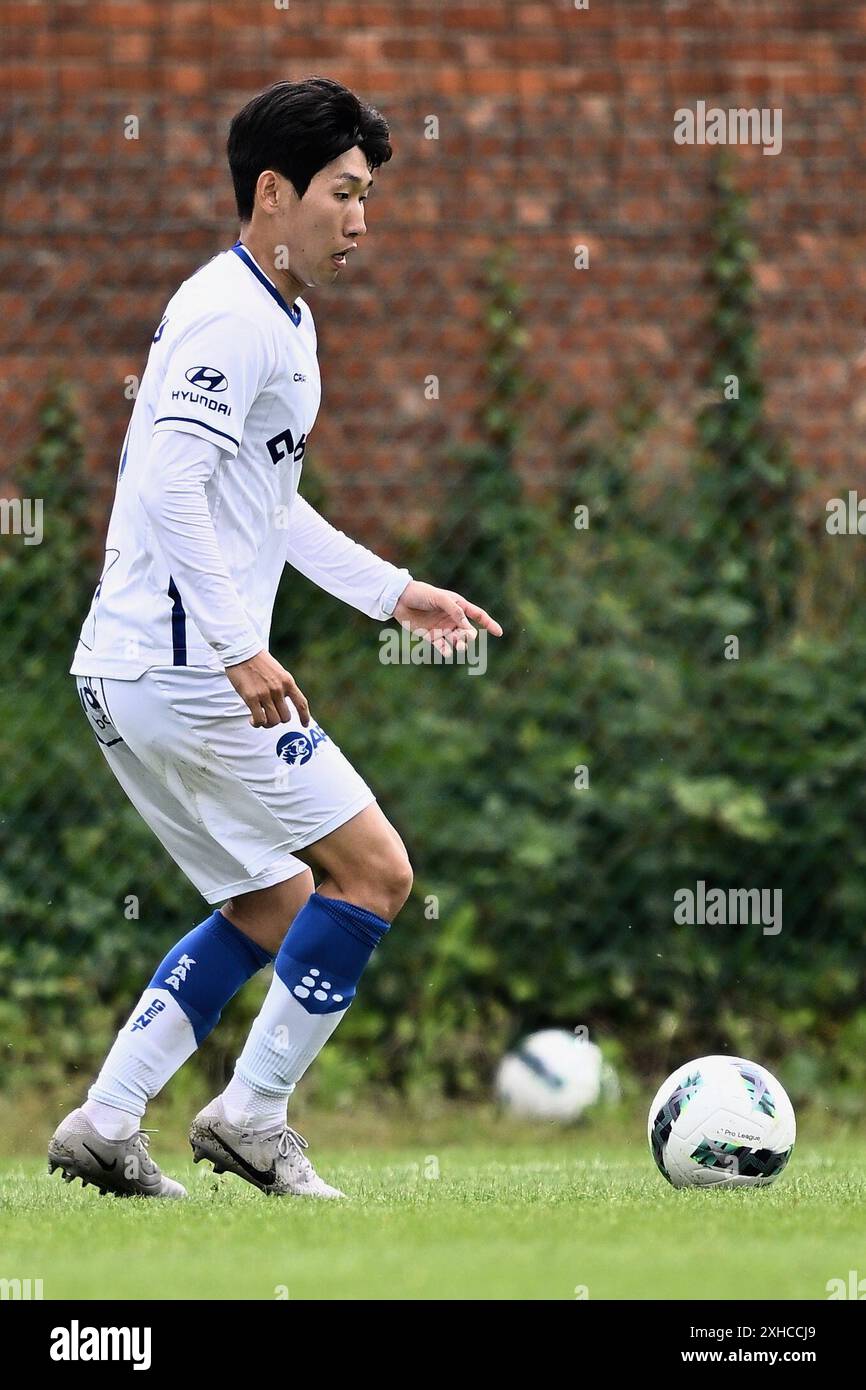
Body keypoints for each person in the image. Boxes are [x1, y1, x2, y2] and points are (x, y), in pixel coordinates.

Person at [49, 77, 502, 1200]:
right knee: (373, 872)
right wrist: (235, 646)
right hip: (186, 669)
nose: (361, 220)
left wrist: (393, 593)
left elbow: (266, 503)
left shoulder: (278, 314)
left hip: (128, 672)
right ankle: (251, 1115)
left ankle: (106, 1121)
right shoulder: (230, 314)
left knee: (269, 902)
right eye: (343, 194)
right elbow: (167, 485)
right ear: (271, 192)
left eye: (366, 197)